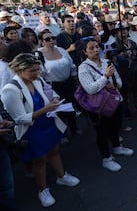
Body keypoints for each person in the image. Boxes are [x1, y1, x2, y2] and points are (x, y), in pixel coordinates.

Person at [1, 53, 80, 207]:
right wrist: (46, 109)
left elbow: (51, 93)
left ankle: (61, 176)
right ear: (18, 69)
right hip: (33, 130)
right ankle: (43, 190)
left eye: (37, 70)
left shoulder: (38, 79)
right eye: (32, 71)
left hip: (49, 123)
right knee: (39, 160)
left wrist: (55, 99)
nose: (37, 73)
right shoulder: (10, 89)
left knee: (55, 151)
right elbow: (20, 119)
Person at [78, 39, 134, 172]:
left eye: (97, 47)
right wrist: (105, 77)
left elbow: (118, 79)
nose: (96, 50)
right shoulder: (83, 68)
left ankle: (117, 147)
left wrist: (116, 85)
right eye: (91, 48)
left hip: (115, 100)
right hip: (100, 106)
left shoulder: (106, 62)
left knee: (115, 126)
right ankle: (106, 158)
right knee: (102, 132)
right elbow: (90, 89)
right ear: (84, 52)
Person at [38, 30, 79, 136]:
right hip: (53, 86)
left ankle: (74, 128)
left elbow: (71, 64)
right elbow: (39, 73)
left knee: (71, 106)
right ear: (42, 42)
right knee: (59, 110)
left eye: (53, 38)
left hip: (68, 82)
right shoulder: (39, 54)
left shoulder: (61, 50)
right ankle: (63, 134)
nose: (51, 40)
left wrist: (75, 79)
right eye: (47, 39)